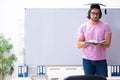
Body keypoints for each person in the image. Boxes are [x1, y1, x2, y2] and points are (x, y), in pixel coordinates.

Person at [77, 3, 112, 77]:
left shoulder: (106, 26)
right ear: (89, 13)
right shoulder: (83, 27)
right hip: (87, 60)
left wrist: (100, 45)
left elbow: (108, 44)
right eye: (93, 13)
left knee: (102, 79)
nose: (95, 15)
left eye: (97, 13)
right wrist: (89, 42)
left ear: (100, 14)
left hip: (101, 60)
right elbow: (79, 44)